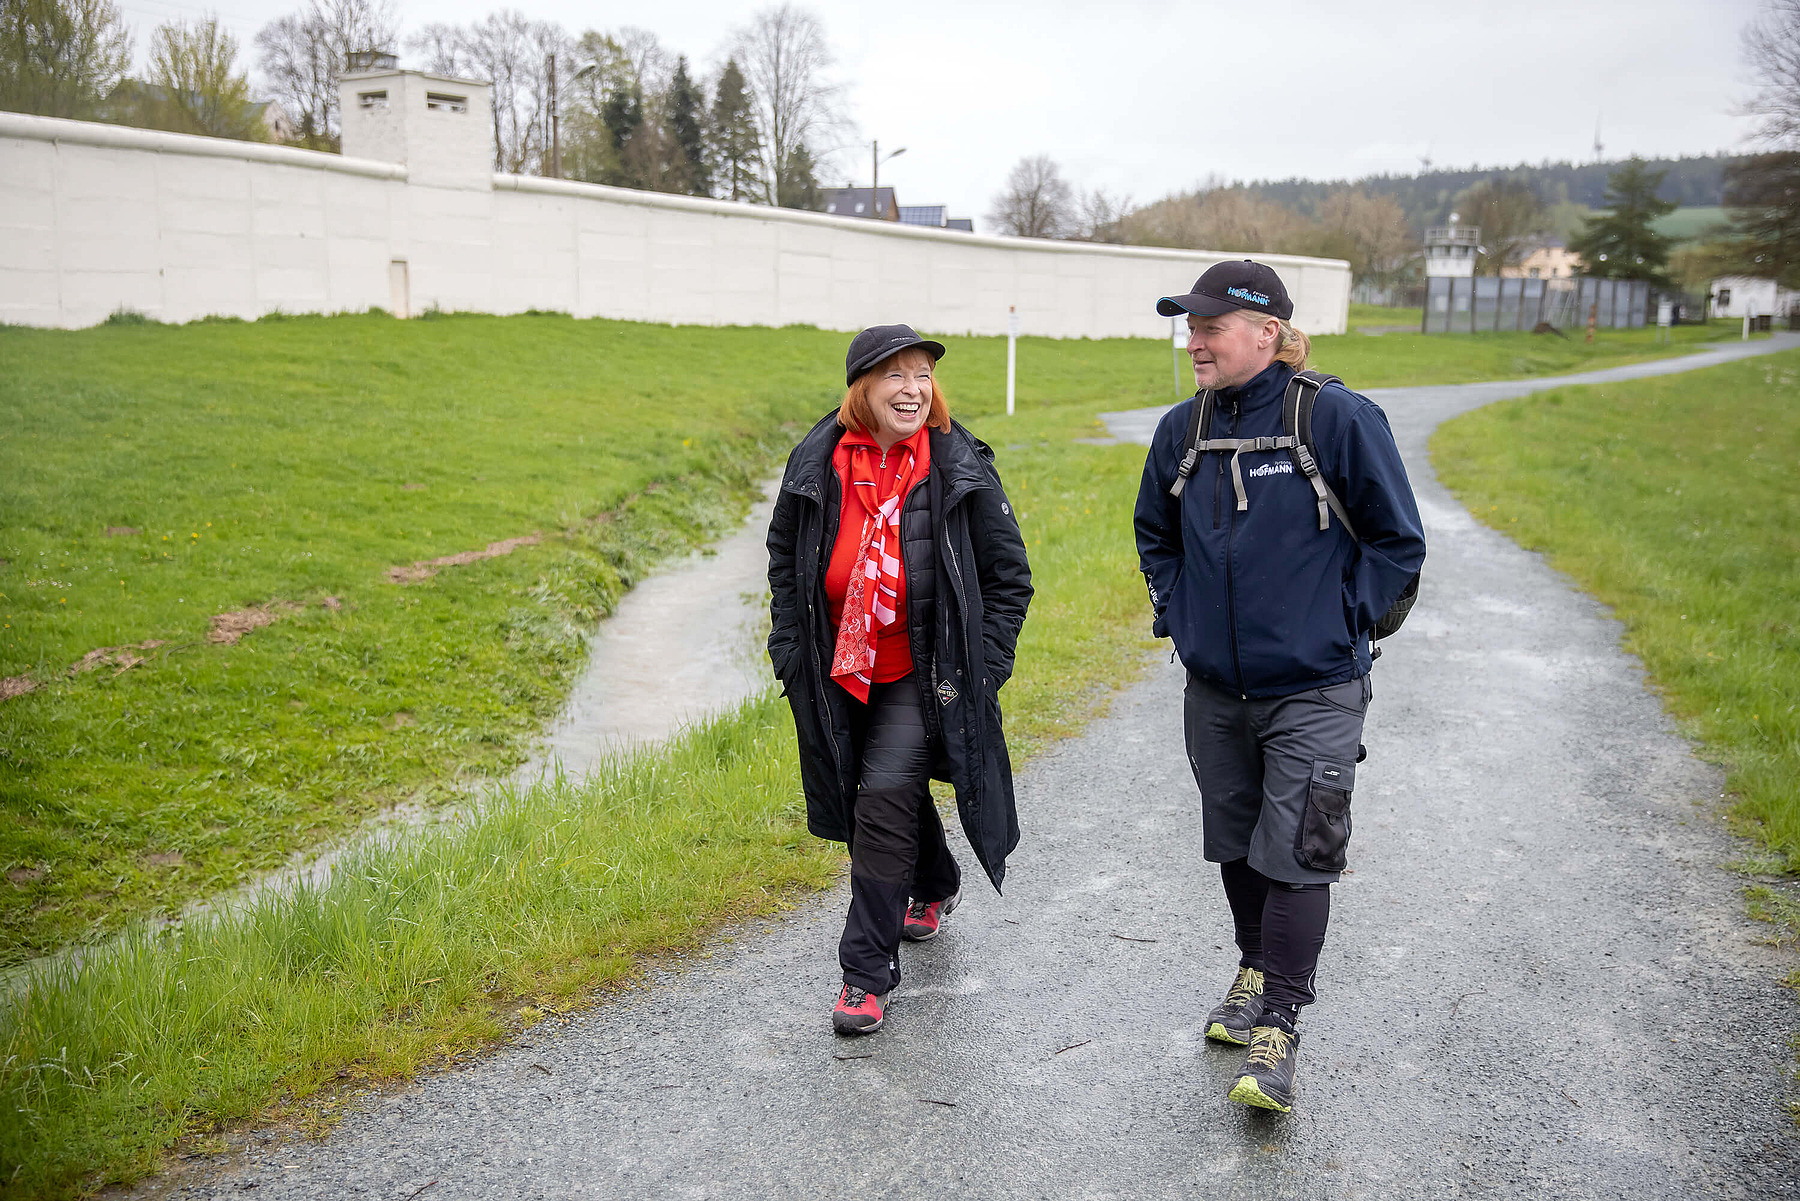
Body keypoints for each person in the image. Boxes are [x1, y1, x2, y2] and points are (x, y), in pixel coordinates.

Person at [1133, 261, 1426, 1112]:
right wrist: (1179, 617)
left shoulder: (1334, 417)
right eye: (1190, 327)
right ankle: (1254, 968)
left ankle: (1280, 1029)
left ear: (1267, 332)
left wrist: (1343, 625)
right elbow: (1155, 534)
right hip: (1216, 687)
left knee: (1299, 849)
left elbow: (1397, 542)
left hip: (1316, 686)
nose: (1195, 341)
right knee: (1235, 840)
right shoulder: (1179, 431)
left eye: (1211, 326)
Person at [767, 324, 1032, 1036]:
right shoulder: (816, 461)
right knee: (882, 788)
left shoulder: (957, 464)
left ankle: (865, 973)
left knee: (881, 799)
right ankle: (935, 882)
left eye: (922, 376)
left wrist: (984, 666)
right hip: (837, 669)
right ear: (863, 389)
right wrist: (789, 649)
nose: (913, 389)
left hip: (924, 670)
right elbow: (784, 558)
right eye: (896, 375)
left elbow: (1010, 577)